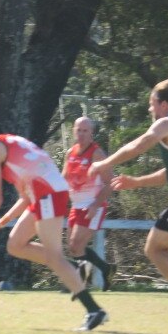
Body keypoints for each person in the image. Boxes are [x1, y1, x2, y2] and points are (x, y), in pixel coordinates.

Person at [0, 114, 108, 331]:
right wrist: (1, 223)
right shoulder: (8, 142)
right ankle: (75, 269)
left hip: (47, 194)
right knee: (15, 245)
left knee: (54, 257)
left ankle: (94, 310)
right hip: (45, 194)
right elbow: (25, 197)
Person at [89, 78, 168, 327]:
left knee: (154, 248)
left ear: (164, 105)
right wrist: (136, 182)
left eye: (151, 104)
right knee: (155, 247)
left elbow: (140, 144)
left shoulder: (167, 123)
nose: (149, 110)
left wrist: (105, 163)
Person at [61, 116, 116, 290]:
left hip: (93, 204)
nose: (82, 134)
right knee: (73, 248)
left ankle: (78, 281)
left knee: (76, 245)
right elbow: (63, 179)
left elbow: (110, 183)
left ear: (91, 133)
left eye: (85, 130)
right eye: (79, 130)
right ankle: (105, 269)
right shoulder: (70, 153)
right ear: (73, 131)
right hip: (76, 205)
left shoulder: (96, 153)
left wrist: (95, 205)